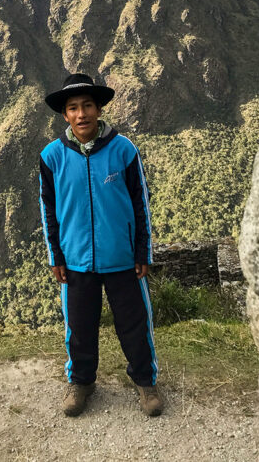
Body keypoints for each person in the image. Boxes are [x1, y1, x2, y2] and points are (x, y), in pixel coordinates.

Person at [39, 72, 162, 417]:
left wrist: (142, 251)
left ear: (99, 108)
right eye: (74, 108)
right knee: (79, 328)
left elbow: (140, 204)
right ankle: (81, 382)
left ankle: (145, 381)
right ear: (65, 115)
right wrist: (56, 256)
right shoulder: (52, 157)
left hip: (122, 258)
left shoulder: (123, 151)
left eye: (88, 105)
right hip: (76, 261)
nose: (82, 114)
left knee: (134, 324)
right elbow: (48, 209)